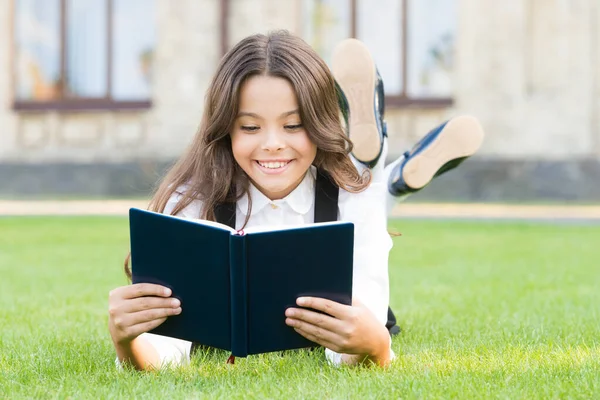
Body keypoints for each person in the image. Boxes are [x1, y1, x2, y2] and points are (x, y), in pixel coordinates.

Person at [108, 31, 483, 371]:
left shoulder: (352, 198)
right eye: (251, 127)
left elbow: (358, 343)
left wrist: (377, 348)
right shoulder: (191, 198)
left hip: (351, 279)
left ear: (320, 124)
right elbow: (160, 352)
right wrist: (127, 342)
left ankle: (377, 161)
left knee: (365, 191)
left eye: (293, 125)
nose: (272, 142)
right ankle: (387, 170)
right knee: (369, 188)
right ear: (225, 131)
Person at [330, 38, 485, 335]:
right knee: (363, 205)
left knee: (353, 209)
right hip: (356, 300)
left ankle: (382, 173)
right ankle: (387, 175)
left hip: (341, 305)